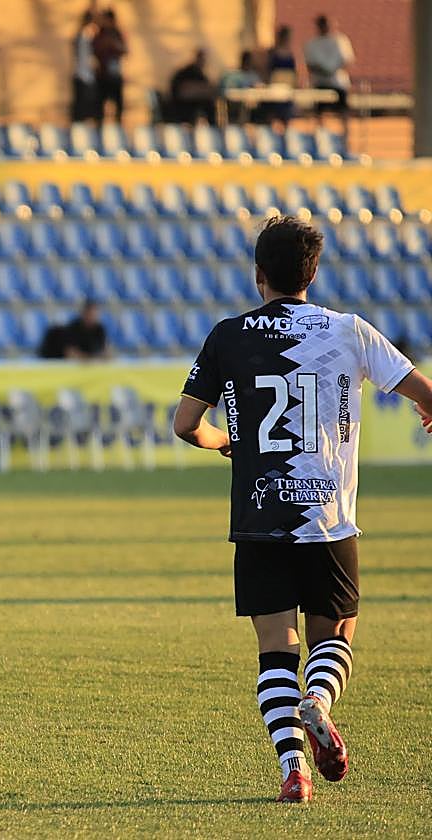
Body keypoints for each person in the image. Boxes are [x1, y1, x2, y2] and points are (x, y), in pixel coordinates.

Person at [173, 215, 432, 804]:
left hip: (260, 517)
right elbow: (424, 392)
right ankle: (318, 700)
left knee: (274, 648)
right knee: (334, 634)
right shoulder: (349, 330)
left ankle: (294, 768)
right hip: (329, 518)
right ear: (312, 274)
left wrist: (225, 441)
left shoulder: (227, 335)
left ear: (258, 274)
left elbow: (186, 425)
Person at [304, 15, 354, 135]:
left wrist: (333, 69)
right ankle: (321, 137)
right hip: (320, 83)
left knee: (343, 112)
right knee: (319, 112)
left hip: (338, 83)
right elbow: (310, 65)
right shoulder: (312, 44)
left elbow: (347, 60)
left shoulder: (340, 41)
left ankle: (345, 138)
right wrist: (323, 71)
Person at [93, 9, 126, 123]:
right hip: (102, 74)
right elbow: (94, 51)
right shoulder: (99, 34)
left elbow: (124, 50)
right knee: (99, 106)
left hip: (115, 74)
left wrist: (113, 44)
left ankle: (118, 125)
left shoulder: (117, 33)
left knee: (118, 105)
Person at [169, 48, 217, 124]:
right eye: (202, 59)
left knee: (209, 104)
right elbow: (183, 92)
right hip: (180, 107)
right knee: (207, 105)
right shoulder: (186, 73)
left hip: (190, 106)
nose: (203, 62)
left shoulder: (200, 74)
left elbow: (208, 88)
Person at [70, 10, 99, 123]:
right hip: (84, 75)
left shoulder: (80, 36)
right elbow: (86, 58)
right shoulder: (86, 35)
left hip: (82, 74)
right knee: (83, 106)